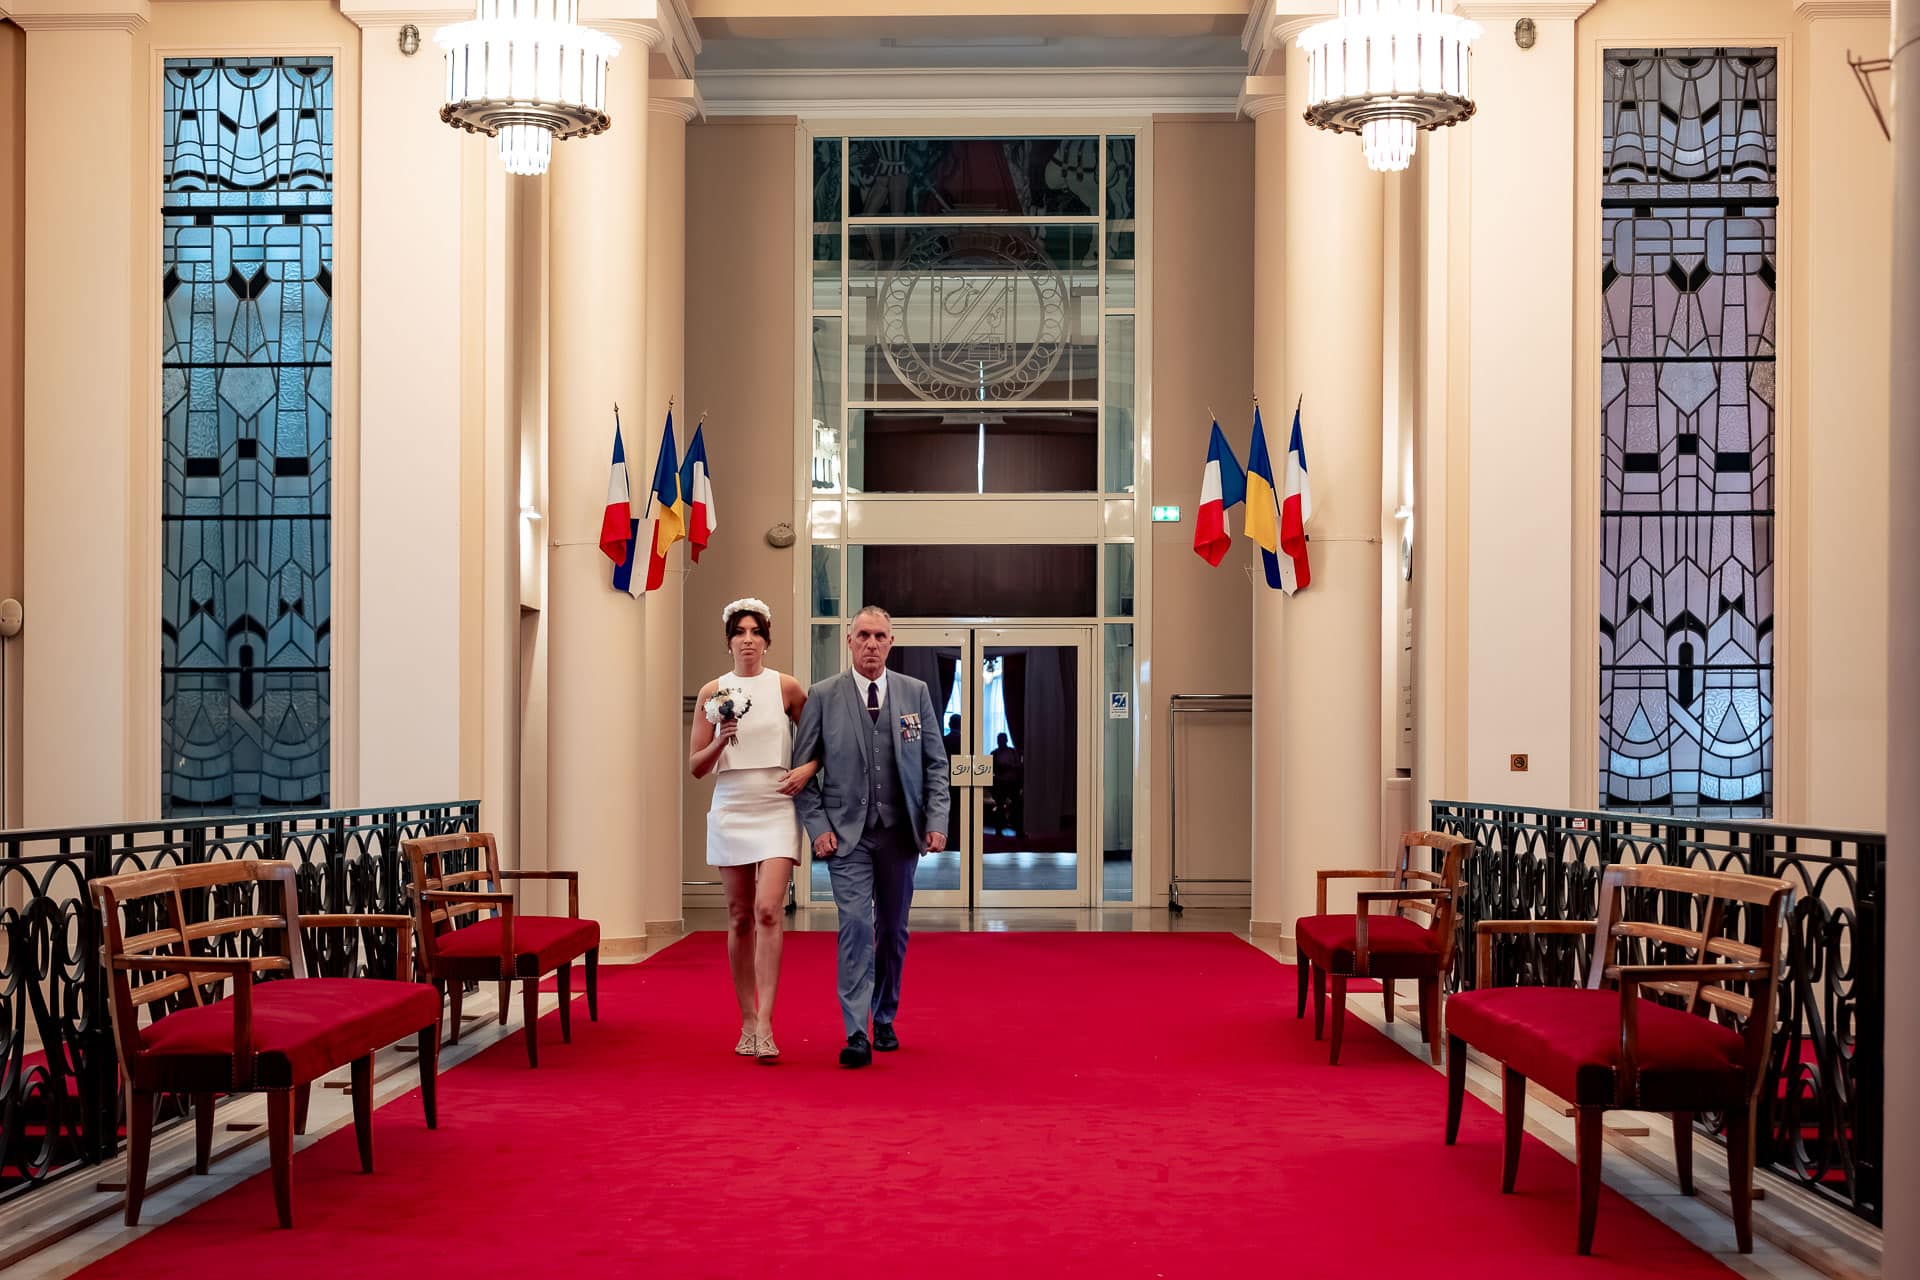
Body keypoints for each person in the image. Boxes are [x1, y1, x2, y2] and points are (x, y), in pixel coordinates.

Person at [791, 606, 951, 1067]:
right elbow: (804, 775)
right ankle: (856, 1032)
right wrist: (818, 829)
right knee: (856, 927)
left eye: (880, 636)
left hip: (901, 834)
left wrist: (936, 821)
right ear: (848, 641)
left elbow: (935, 764)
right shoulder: (823, 696)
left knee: (893, 930)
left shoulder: (914, 693)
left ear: (891, 642)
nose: (871, 644)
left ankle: (885, 1015)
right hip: (847, 836)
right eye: (863, 635)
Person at [689, 597, 818, 1064]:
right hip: (731, 803)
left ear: (766, 640)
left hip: (777, 802)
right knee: (740, 915)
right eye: (739, 632)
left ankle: (767, 1022)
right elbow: (696, 768)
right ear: (728, 642)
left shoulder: (786, 687)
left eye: (755, 632)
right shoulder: (711, 692)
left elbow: (819, 741)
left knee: (768, 909)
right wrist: (722, 738)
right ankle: (746, 1020)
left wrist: (806, 770)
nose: (748, 640)